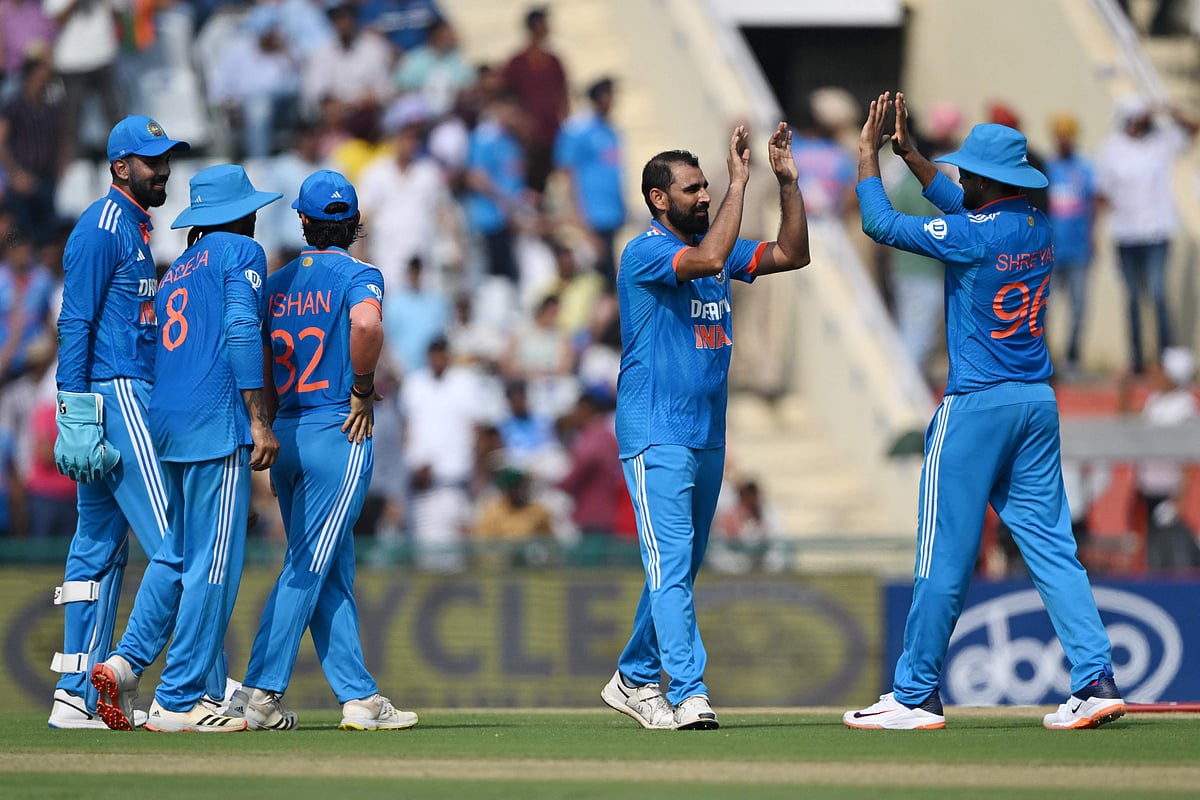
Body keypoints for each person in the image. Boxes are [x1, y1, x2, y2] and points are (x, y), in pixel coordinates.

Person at [844, 92, 1124, 731]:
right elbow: (960, 207)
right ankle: (1096, 677)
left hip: (976, 406)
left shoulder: (974, 235)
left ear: (988, 183)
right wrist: (912, 155)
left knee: (943, 554)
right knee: (1053, 550)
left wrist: (868, 159)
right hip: (1035, 404)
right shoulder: (1036, 226)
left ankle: (914, 695)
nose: (960, 178)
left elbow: (882, 225)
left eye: (968, 173)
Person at [602, 123, 810, 731]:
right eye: (692, 189)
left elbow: (791, 253)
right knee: (670, 563)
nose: (703, 196)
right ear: (658, 199)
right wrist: (741, 182)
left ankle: (634, 677)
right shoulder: (646, 252)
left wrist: (787, 183)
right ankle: (688, 689)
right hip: (654, 432)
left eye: (706, 187)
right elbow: (712, 256)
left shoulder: (709, 247)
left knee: (680, 566)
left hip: (706, 433)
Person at [89, 164, 282, 733]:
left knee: (173, 553)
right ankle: (180, 700)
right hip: (213, 420)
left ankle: (124, 665)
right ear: (237, 213)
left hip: (166, 421)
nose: (254, 216)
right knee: (213, 564)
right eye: (249, 207)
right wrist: (257, 417)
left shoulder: (177, 270)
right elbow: (244, 333)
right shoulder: (241, 253)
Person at [230, 169, 419, 732]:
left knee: (330, 567)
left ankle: (358, 696)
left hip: (286, 430)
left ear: (304, 221)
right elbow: (366, 324)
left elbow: (257, 354)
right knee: (309, 565)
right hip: (340, 430)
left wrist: (263, 421)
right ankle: (261, 694)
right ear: (355, 222)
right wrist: (362, 390)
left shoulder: (280, 280)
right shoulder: (361, 274)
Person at [47, 115, 191, 730]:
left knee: (98, 550)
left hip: (117, 395)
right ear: (119, 167)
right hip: (119, 393)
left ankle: (76, 693)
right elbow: (74, 321)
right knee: (177, 545)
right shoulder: (104, 227)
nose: (163, 169)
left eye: (166, 159)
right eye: (151, 160)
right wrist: (72, 408)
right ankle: (190, 689)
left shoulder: (131, 227)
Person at [1095, 95, 1198, 375]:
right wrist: (1094, 232)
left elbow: (1193, 128)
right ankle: (1138, 358)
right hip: (1125, 234)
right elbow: (1102, 195)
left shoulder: (1162, 141)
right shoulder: (1111, 149)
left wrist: (1168, 110)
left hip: (1156, 231)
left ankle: (1166, 357)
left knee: (1157, 294)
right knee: (1132, 298)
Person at [553, 76, 626, 284]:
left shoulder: (611, 131)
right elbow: (566, 175)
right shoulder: (578, 130)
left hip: (610, 214)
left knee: (611, 278)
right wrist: (578, 218)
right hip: (589, 217)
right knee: (595, 282)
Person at [1044, 113, 1097, 376]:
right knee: (1044, 307)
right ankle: (1046, 358)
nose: (1063, 140)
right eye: (1059, 135)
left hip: (1078, 250)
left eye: (1067, 134)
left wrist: (1092, 236)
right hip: (1051, 251)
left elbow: (1095, 205)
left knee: (1078, 306)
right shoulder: (1047, 168)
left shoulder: (1085, 169)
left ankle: (1073, 357)